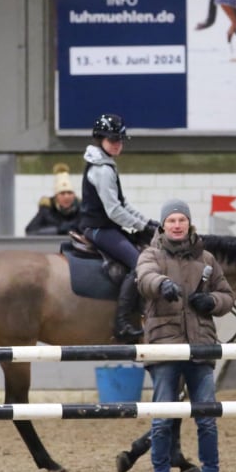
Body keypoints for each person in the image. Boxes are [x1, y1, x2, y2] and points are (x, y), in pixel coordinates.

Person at [137, 199, 235, 472]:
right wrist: (160, 285)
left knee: (206, 418)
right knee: (162, 418)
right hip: (164, 347)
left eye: (181, 220)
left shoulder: (206, 259)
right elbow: (144, 278)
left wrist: (212, 301)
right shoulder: (150, 254)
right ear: (163, 225)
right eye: (172, 220)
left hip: (200, 347)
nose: (177, 225)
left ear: (188, 224)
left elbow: (227, 296)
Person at [79, 113, 160, 343]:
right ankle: (122, 323)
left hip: (106, 226)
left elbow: (123, 204)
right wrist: (142, 225)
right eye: (112, 139)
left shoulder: (106, 164)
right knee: (139, 264)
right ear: (100, 140)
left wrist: (148, 222)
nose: (117, 144)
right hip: (98, 229)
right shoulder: (102, 170)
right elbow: (114, 211)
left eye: (120, 140)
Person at [24, 163, 81, 236]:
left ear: (74, 195)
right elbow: (30, 231)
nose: (66, 197)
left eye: (69, 193)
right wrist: (57, 230)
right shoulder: (47, 211)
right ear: (56, 196)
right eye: (62, 193)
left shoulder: (82, 210)